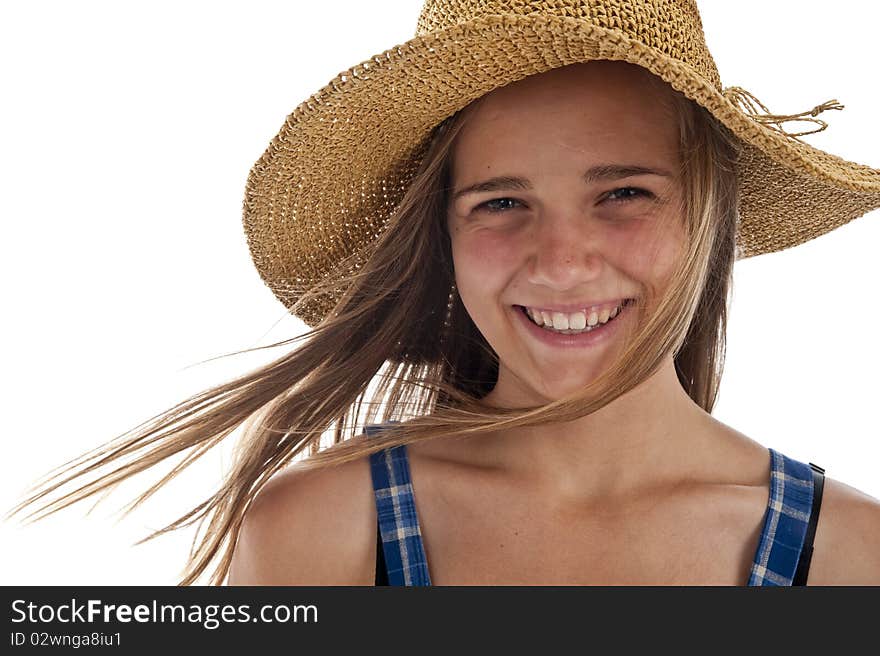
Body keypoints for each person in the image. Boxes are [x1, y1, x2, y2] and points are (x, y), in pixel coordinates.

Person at [7, 0, 880, 586]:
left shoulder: (845, 553)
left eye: (623, 195)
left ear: (710, 218)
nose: (563, 260)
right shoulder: (323, 528)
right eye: (502, 203)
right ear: (444, 239)